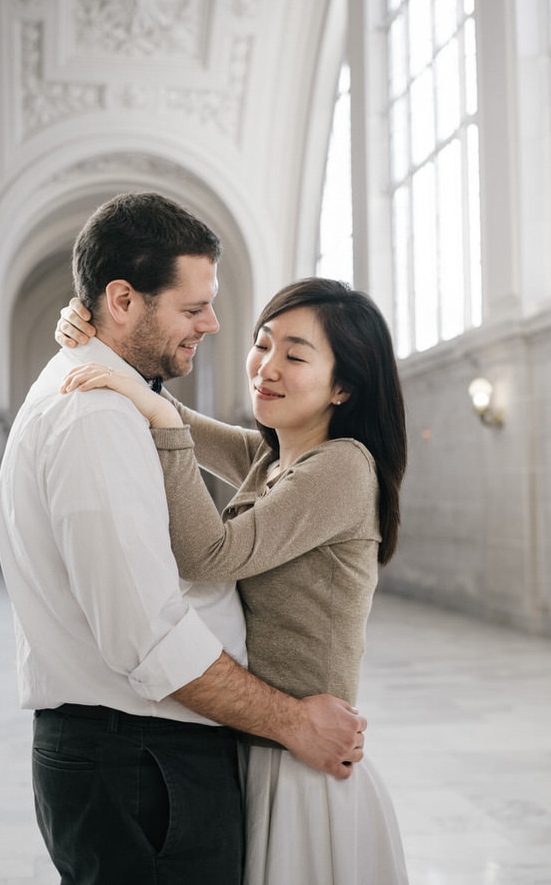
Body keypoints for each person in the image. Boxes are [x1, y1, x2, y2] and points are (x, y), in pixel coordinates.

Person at [0, 192, 365, 884]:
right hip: (143, 757)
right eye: (194, 308)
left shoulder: (319, 462)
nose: (214, 324)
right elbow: (150, 636)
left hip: (153, 751)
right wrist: (290, 721)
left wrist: (122, 371)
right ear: (125, 300)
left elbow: (182, 429)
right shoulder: (97, 417)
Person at [57, 277, 409, 883]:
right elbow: (181, 422)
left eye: (295, 355)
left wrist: (158, 417)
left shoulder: (344, 468)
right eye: (262, 343)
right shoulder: (275, 459)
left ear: (344, 385)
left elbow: (208, 553)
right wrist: (99, 343)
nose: (266, 367)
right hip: (268, 745)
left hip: (303, 770)